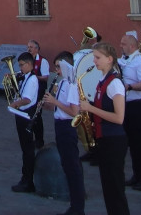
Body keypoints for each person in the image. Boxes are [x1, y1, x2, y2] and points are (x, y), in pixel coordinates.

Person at [79, 42, 129, 215]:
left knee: (115, 190)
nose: (94, 61)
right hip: (104, 139)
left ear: (109, 59)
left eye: (98, 57)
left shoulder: (115, 83)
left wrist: (90, 109)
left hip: (114, 140)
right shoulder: (102, 80)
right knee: (108, 189)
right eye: (94, 57)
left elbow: (119, 117)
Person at [42, 51, 86, 215]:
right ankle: (74, 204)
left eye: (59, 67)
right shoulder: (61, 84)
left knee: (72, 167)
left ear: (67, 67)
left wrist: (55, 101)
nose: (57, 71)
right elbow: (55, 107)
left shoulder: (73, 85)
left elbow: (74, 112)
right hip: (59, 125)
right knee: (66, 165)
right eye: (56, 67)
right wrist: (48, 103)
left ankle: (77, 207)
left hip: (68, 127)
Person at [118, 33, 141, 191]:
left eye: (123, 44)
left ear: (132, 46)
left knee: (140, 143)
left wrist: (129, 87)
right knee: (132, 143)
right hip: (127, 104)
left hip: (139, 104)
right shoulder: (125, 60)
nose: (121, 46)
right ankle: (136, 175)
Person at [9, 51, 38, 193]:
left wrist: (14, 104)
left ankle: (28, 181)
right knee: (25, 149)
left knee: (27, 149)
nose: (20, 68)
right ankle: (25, 178)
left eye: (21, 65)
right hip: (21, 114)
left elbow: (27, 99)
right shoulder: (26, 77)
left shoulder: (32, 79)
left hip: (26, 115)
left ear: (29, 64)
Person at [27, 39, 49, 148]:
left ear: (36, 48)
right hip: (30, 90)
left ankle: (40, 140)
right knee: (30, 113)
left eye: (31, 47)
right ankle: (31, 136)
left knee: (37, 115)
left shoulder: (42, 61)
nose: (29, 49)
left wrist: (34, 77)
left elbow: (45, 77)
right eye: (28, 47)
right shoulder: (28, 60)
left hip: (39, 90)